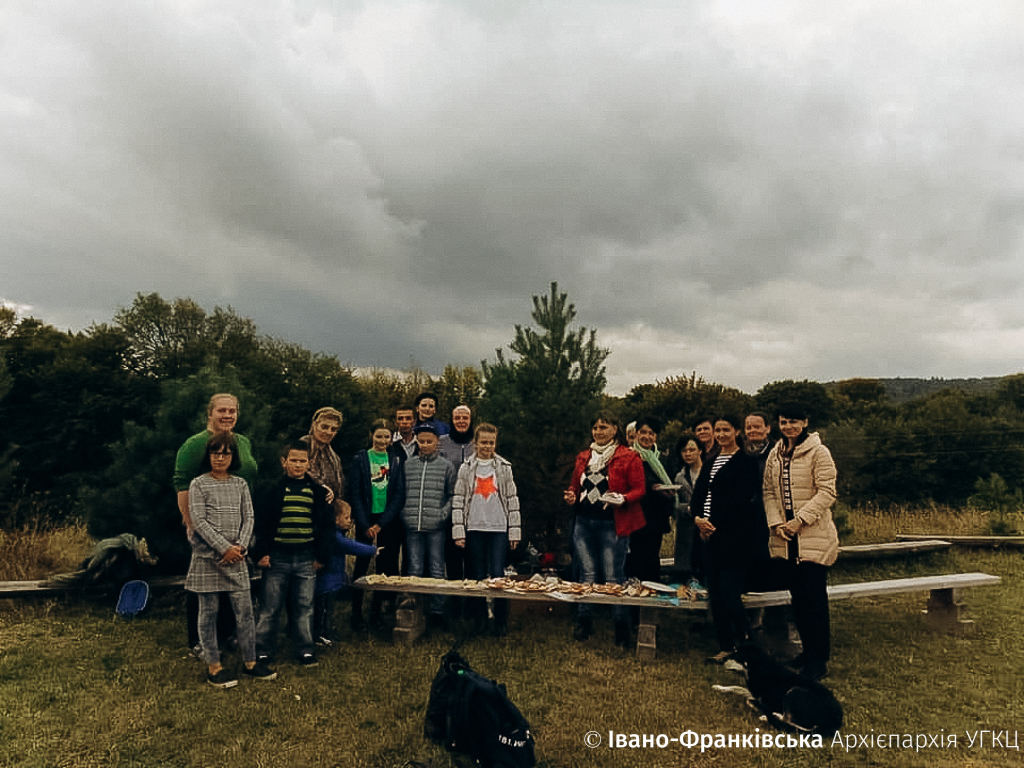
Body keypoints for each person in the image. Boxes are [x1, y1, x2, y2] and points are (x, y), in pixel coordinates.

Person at [184, 432, 275, 687]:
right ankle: (214, 666)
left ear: (233, 457)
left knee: (245, 612)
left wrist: (240, 547)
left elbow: (249, 517)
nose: (220, 458)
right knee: (208, 613)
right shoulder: (198, 484)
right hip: (208, 558)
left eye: (225, 453)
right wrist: (223, 548)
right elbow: (199, 521)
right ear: (208, 456)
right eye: (215, 453)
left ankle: (251, 662)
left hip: (237, 559)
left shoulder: (240, 484)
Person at [173, 393, 258, 657]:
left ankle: (228, 635)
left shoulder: (242, 442)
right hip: (206, 530)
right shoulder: (194, 445)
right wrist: (191, 525)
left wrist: (243, 538)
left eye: (232, 411)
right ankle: (199, 642)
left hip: (237, 526)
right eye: (222, 410)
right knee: (205, 588)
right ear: (210, 413)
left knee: (232, 584)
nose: (227, 415)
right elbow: (182, 484)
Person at [762, 403, 839, 682]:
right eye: (784, 422)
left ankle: (818, 660)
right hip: (786, 539)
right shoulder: (775, 453)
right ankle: (807, 652)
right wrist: (776, 523)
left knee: (814, 601)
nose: (788, 427)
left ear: (805, 422)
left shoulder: (819, 452)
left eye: (794, 422)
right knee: (798, 601)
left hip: (812, 536)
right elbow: (769, 491)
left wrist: (800, 520)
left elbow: (827, 492)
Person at [690, 415, 768, 664]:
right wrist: (698, 519)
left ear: (736, 432)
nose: (721, 435)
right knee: (715, 594)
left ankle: (747, 645)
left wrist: (714, 523)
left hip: (734, 538)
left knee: (730, 593)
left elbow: (742, 500)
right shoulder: (710, 461)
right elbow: (698, 495)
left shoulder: (746, 462)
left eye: (726, 430)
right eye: (718, 430)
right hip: (708, 538)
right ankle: (725, 645)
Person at [564, 413, 646, 647]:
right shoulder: (584, 456)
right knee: (586, 574)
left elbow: (640, 489)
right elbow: (575, 486)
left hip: (612, 523)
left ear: (615, 429)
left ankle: (621, 627)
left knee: (613, 576)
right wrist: (571, 496)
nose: (598, 431)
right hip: (583, 522)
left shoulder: (629, 456)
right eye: (595, 428)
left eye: (603, 427)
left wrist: (623, 498)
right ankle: (584, 622)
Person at [252, 441, 334, 668]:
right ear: (284, 462)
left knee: (304, 606)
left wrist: (321, 556)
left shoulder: (318, 492)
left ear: (309, 463)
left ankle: (305, 649)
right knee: (270, 607)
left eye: (302, 461)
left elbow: (327, 528)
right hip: (277, 557)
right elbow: (261, 524)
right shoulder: (272, 490)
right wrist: (261, 553)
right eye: (293, 460)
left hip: (307, 557)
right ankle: (262, 649)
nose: (298, 465)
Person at [452, 423, 521, 636]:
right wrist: (459, 531)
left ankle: (500, 620)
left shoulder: (504, 467)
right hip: (474, 527)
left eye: (491, 442)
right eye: (483, 442)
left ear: (495, 444)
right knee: (478, 574)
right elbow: (459, 499)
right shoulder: (466, 467)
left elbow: (512, 499)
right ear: (475, 443)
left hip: (498, 528)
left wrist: (514, 531)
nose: (487, 446)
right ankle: (480, 619)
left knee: (498, 573)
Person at [299, 407, 350, 645]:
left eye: (333, 429)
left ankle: (322, 626)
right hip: (304, 520)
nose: (328, 432)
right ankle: (304, 629)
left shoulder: (332, 455)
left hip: (327, 522)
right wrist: (320, 489)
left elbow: (338, 487)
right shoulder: (303, 447)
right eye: (324, 427)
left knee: (325, 575)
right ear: (314, 424)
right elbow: (300, 476)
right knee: (306, 578)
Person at [349, 419, 407, 631]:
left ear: (392, 438)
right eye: (379, 436)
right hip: (366, 519)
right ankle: (356, 613)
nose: (382, 440)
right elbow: (355, 492)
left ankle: (376, 612)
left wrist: (381, 523)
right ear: (371, 435)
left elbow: (399, 494)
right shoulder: (360, 458)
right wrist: (365, 523)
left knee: (384, 567)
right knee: (362, 565)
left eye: (386, 436)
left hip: (387, 521)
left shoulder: (396, 460)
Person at [400, 422, 457, 630]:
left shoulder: (446, 466)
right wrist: (404, 512)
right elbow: (401, 492)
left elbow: (452, 494)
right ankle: (413, 607)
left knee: (436, 567)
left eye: (429, 441)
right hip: (412, 525)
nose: (425, 445)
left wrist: (443, 514)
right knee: (414, 567)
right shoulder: (408, 465)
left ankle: (437, 611)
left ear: (437, 442)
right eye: (421, 441)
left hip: (436, 526)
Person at [625, 417, 675, 585]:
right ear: (636, 434)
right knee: (634, 556)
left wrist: (669, 493)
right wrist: (651, 485)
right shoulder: (628, 456)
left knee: (652, 557)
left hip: (656, 516)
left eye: (651, 433)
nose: (647, 436)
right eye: (643, 432)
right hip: (635, 514)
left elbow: (670, 480)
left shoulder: (663, 459)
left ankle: (652, 592)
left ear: (656, 437)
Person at [439, 405, 475, 591]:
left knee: (471, 555)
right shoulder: (442, 442)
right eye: (457, 418)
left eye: (465, 418)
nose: (461, 421)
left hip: (474, 506)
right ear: (452, 420)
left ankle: (471, 598)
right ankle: (454, 597)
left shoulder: (477, 442)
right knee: (452, 554)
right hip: (449, 503)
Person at [671, 433, 703, 582]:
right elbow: (676, 504)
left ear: (700, 451)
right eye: (684, 451)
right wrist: (688, 509)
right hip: (687, 525)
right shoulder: (680, 476)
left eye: (691, 450)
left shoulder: (709, 471)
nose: (688, 454)